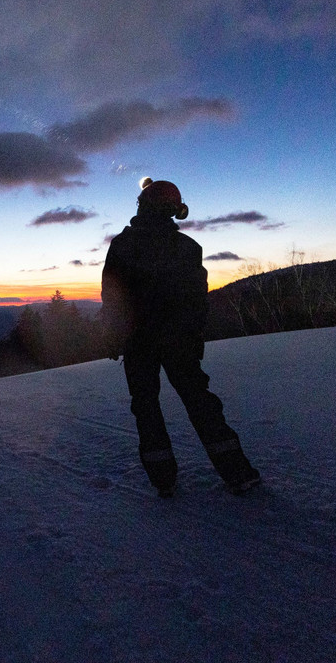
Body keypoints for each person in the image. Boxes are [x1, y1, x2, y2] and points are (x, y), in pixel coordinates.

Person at [102, 177, 260, 497]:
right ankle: (237, 472)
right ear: (174, 210)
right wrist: (193, 336)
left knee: (146, 407)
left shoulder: (123, 245)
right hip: (179, 342)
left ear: (143, 207)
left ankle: (163, 480)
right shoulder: (189, 247)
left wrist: (113, 336)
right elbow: (197, 301)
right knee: (200, 402)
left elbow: (113, 298)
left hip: (138, 343)